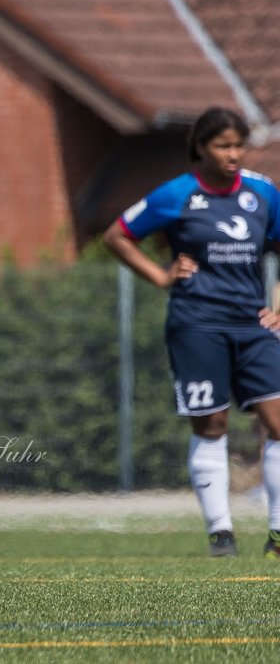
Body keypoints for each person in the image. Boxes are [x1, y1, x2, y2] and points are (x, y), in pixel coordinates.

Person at [104, 106, 280, 559]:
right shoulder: (176, 195)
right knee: (212, 424)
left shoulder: (263, 193)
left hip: (251, 323)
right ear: (200, 149)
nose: (234, 154)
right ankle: (221, 533)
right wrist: (162, 276)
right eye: (223, 146)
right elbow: (118, 236)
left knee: (278, 422)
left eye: (239, 145)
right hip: (196, 323)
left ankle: (278, 535)